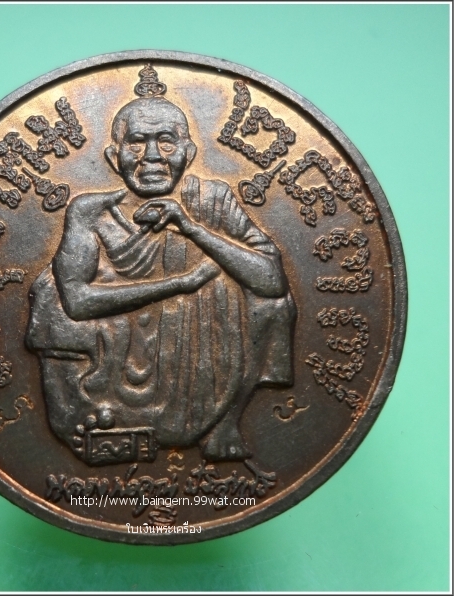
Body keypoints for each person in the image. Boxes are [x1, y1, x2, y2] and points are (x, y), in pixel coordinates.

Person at [26, 66, 296, 463]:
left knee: (271, 301)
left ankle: (224, 422)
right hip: (116, 342)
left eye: (166, 142)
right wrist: (180, 284)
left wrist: (192, 228)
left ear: (188, 153)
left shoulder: (211, 200)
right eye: (137, 142)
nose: (152, 156)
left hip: (201, 343)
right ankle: (80, 412)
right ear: (113, 157)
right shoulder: (90, 212)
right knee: (51, 289)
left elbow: (272, 281)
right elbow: (78, 303)